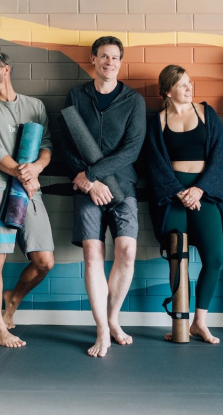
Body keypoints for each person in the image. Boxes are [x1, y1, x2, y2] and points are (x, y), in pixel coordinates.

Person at [57, 36, 146, 358]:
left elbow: (132, 150)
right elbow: (66, 143)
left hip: (123, 185)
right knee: (93, 253)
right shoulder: (76, 96)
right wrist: (88, 182)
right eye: (104, 56)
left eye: (115, 57)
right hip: (85, 187)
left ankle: (113, 319)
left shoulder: (133, 101)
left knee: (127, 251)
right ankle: (101, 330)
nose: (110, 62)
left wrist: (94, 174)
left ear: (121, 62)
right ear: (93, 60)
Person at [0, 51, 55, 348]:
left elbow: (46, 145)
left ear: (6, 69)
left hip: (29, 187)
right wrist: (24, 174)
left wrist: (37, 168)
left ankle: (13, 297)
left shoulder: (35, 106)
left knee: (45, 261)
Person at [145, 65, 223, 344]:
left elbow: (220, 156)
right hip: (174, 195)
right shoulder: (158, 121)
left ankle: (199, 323)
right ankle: (180, 324)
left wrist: (200, 189)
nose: (189, 88)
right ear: (168, 91)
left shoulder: (206, 113)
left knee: (214, 258)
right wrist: (179, 191)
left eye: (189, 82)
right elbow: (155, 164)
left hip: (204, 193)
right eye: (182, 84)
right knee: (177, 259)